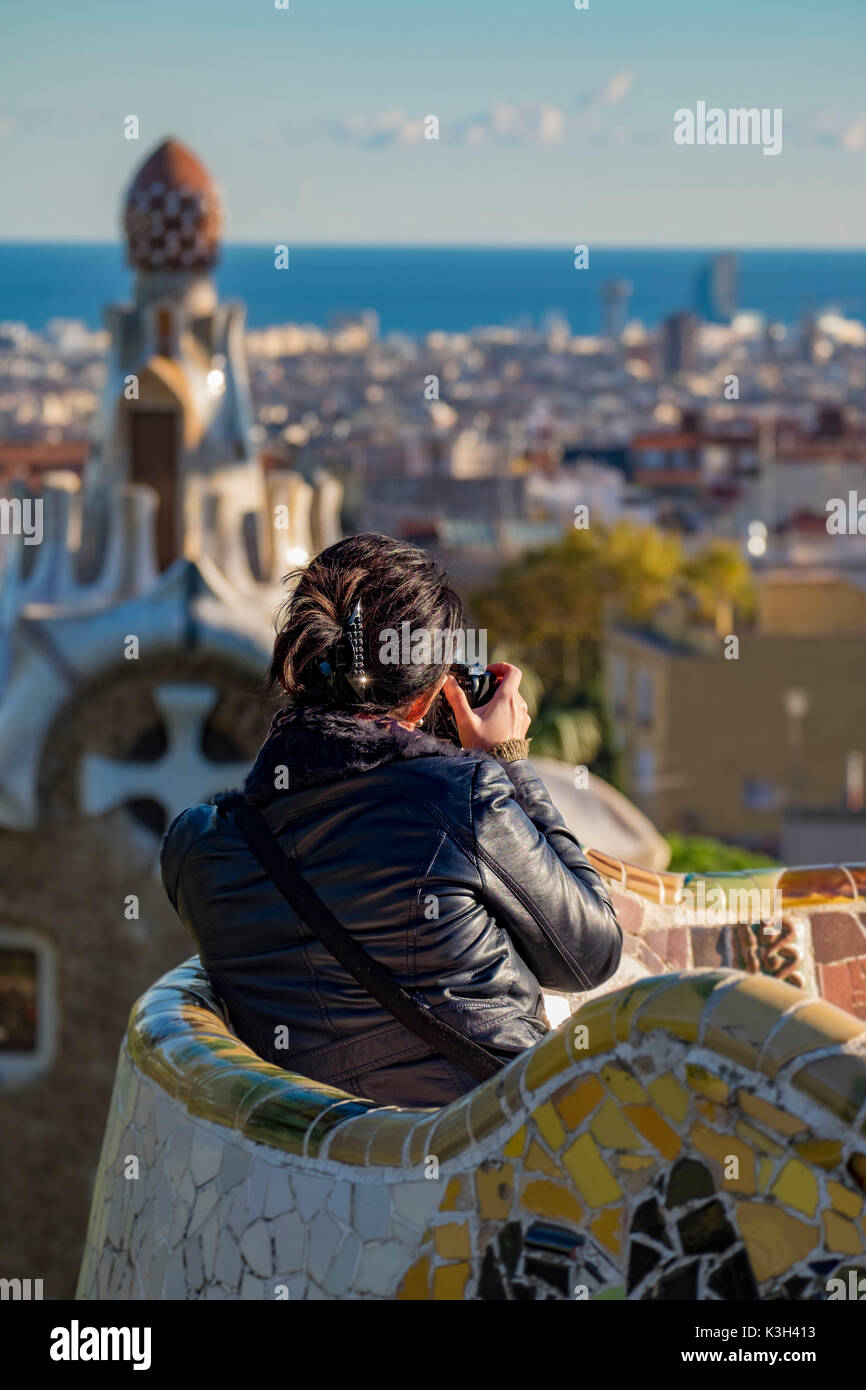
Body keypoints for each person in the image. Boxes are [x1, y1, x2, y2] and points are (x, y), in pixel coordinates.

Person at [161, 533, 622, 1106]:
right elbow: (591, 955)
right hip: (492, 1150)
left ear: (298, 674)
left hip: (321, 1173)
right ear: (426, 698)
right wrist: (506, 763)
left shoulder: (199, 852)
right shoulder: (464, 800)